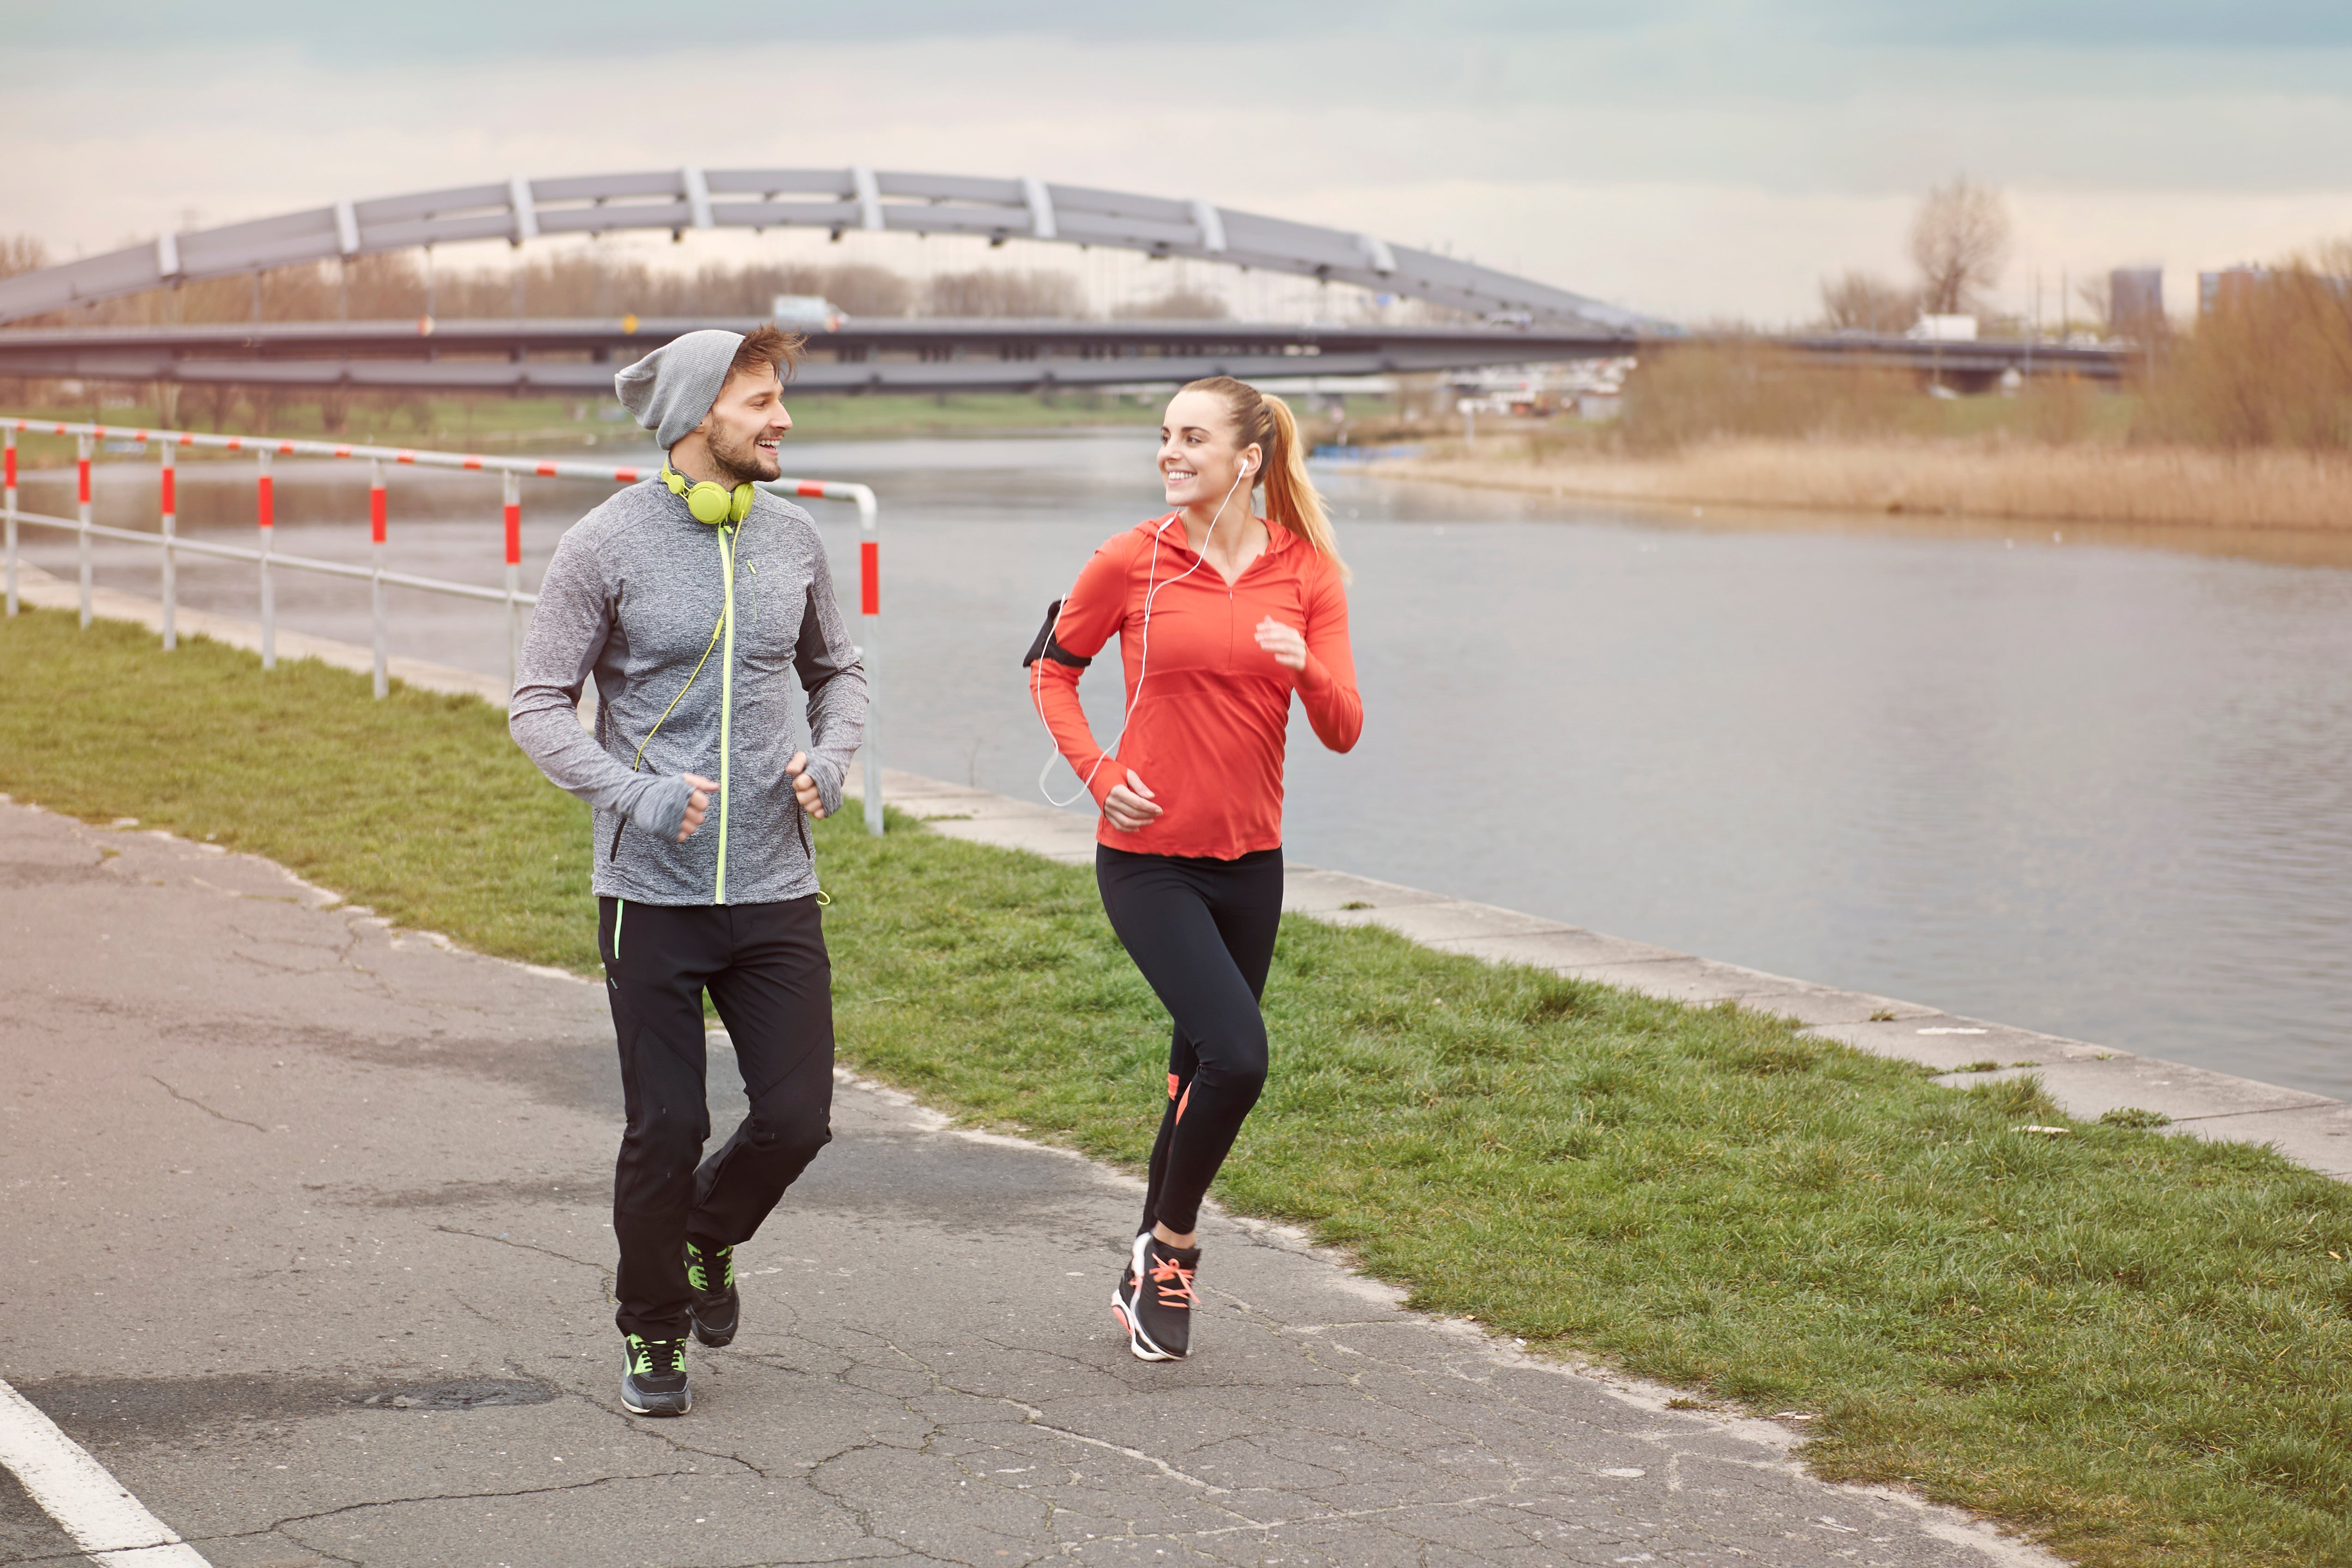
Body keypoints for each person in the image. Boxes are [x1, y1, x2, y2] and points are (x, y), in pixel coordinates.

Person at [510, 327, 867, 1417]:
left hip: (775, 887)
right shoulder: (603, 544)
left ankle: (707, 1236)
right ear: (695, 414)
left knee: (797, 1119)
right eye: (759, 401)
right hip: (650, 897)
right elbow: (537, 706)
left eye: (779, 399)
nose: (782, 419)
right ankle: (652, 1327)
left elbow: (839, 673)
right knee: (667, 1127)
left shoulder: (794, 536)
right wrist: (635, 793)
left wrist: (833, 758)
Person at [1028, 375, 1362, 1361]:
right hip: (1147, 862)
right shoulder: (1129, 559)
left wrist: (1304, 665)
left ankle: (1140, 1272)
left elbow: (1344, 729)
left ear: (1247, 460)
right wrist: (1098, 774)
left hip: (1251, 864)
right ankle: (1171, 1250)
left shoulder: (1307, 573)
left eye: (1192, 437)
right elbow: (1052, 669)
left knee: (1193, 1072)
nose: (1169, 453)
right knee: (1238, 1056)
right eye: (1164, 435)